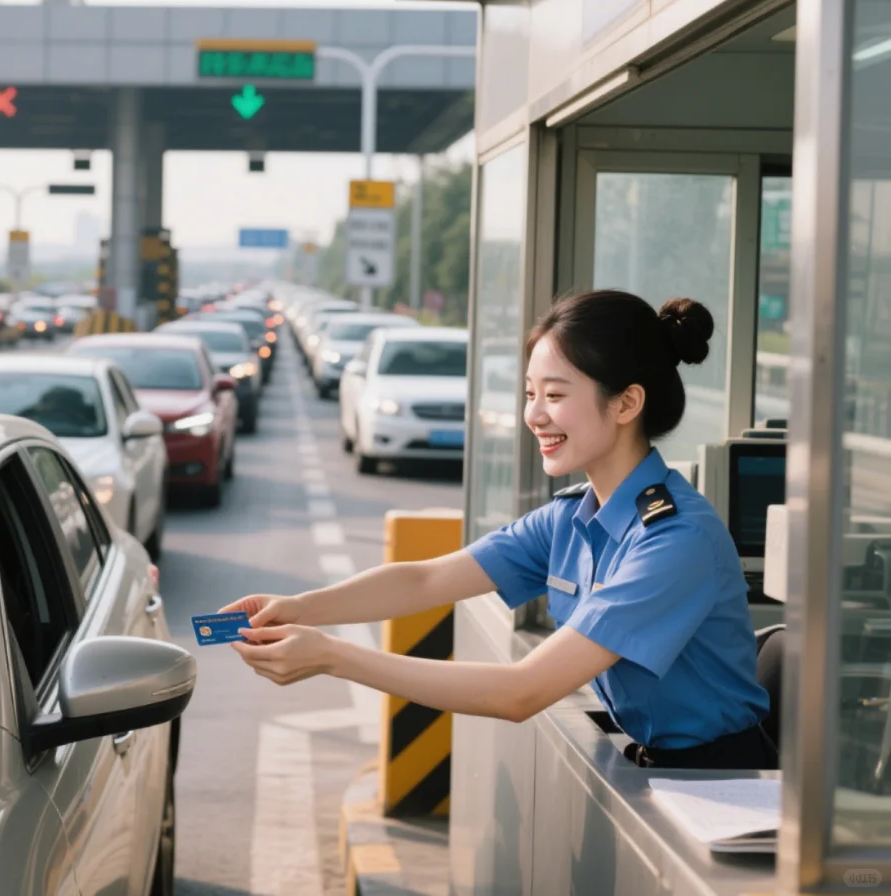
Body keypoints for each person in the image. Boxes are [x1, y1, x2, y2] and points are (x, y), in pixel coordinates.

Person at [224, 290, 776, 770]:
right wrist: (296, 609)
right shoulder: (572, 517)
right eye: (530, 393)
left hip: (722, 779)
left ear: (628, 402)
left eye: (555, 395)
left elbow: (522, 692)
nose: (534, 415)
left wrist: (332, 657)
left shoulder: (675, 540)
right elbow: (423, 582)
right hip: (659, 766)